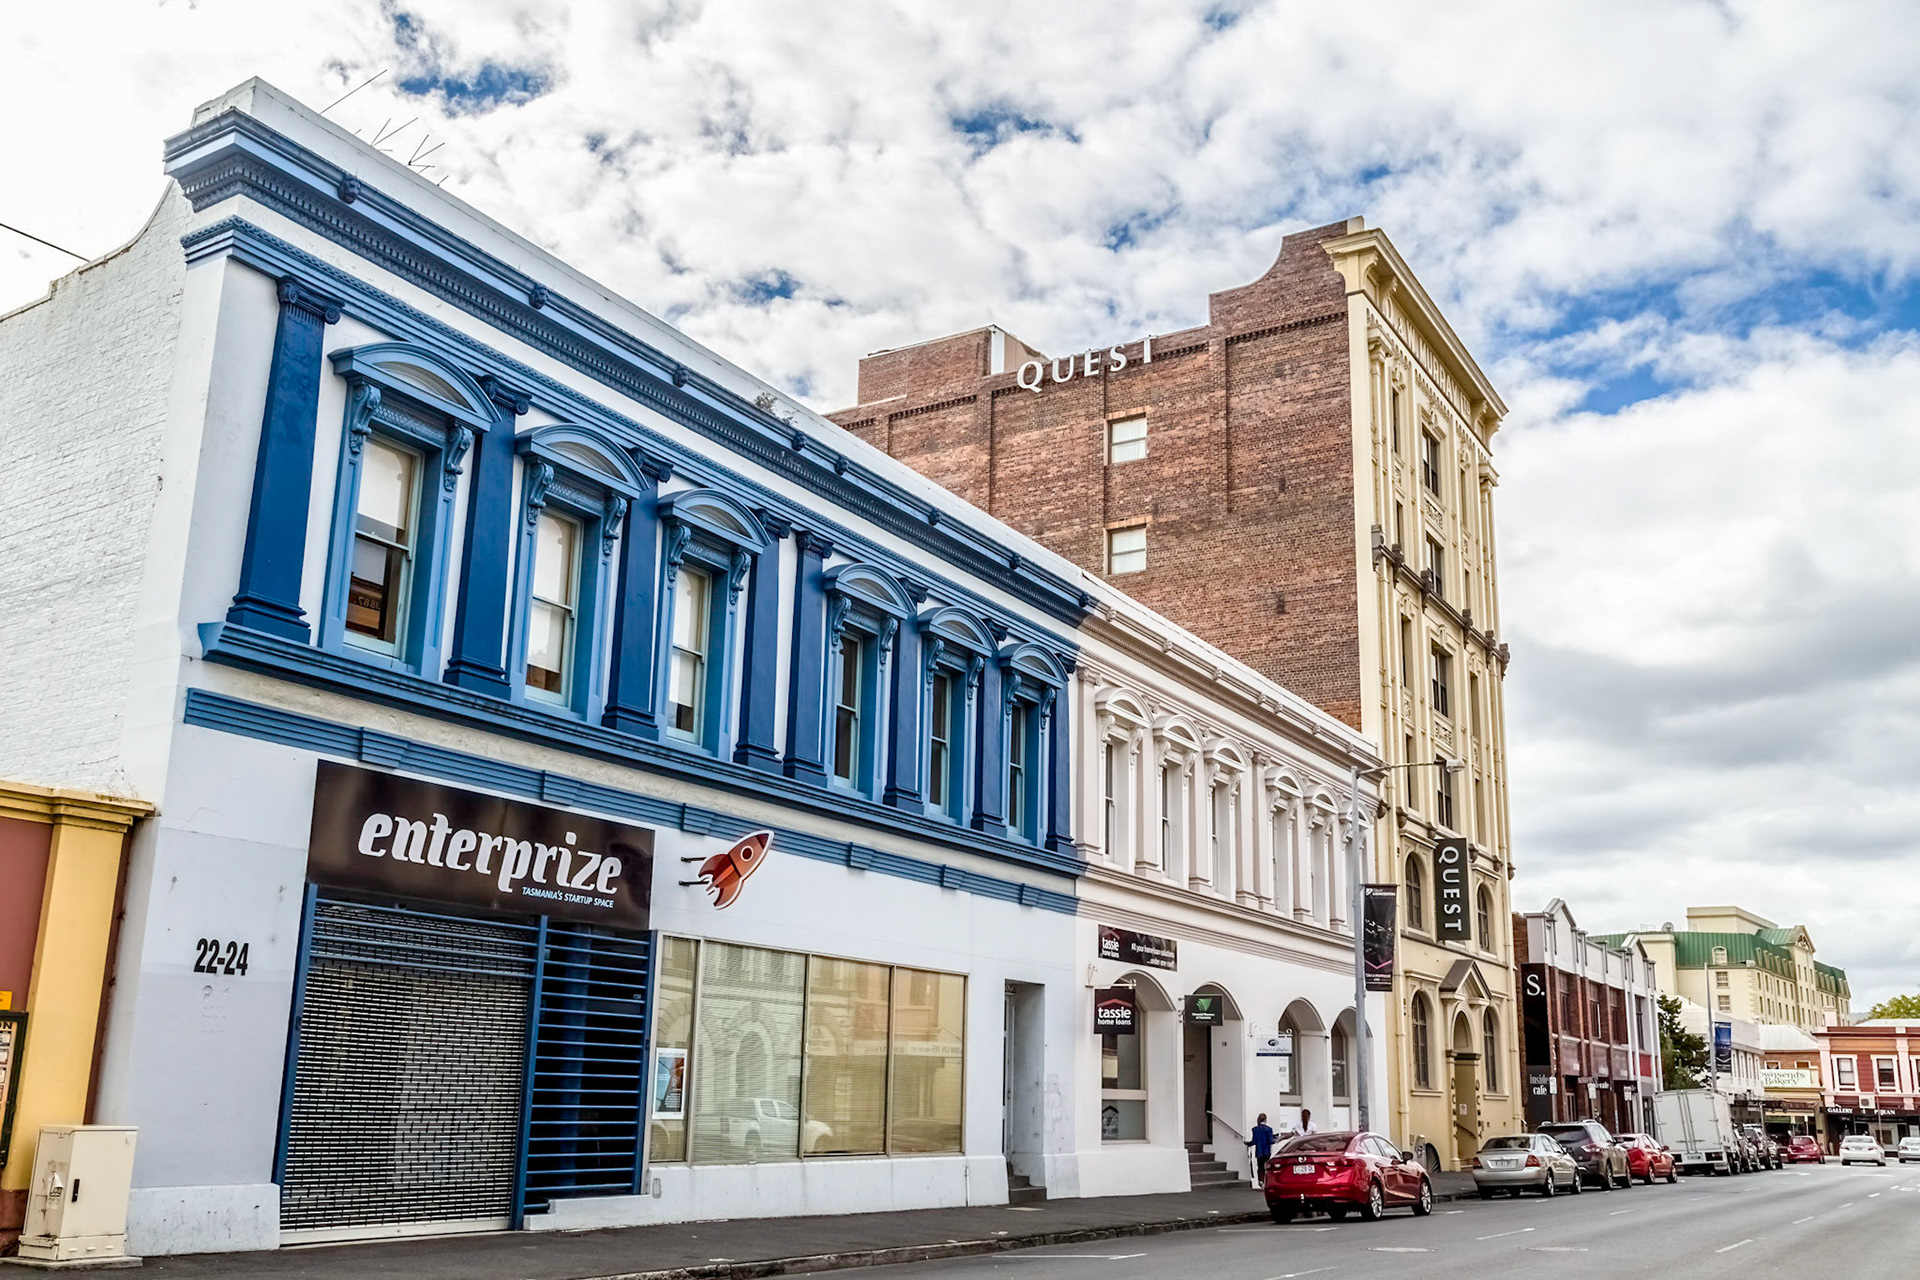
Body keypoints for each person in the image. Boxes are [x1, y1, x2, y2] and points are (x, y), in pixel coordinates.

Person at [1246, 1113, 1276, 1180]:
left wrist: (1248, 1143)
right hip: (1267, 1152)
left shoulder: (1255, 1129)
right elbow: (1271, 1141)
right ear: (1265, 1120)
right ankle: (1266, 1180)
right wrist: (1276, 1139)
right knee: (1266, 1167)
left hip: (1259, 1152)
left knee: (1260, 1167)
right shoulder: (1269, 1129)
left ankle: (1261, 1180)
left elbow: (1254, 1141)